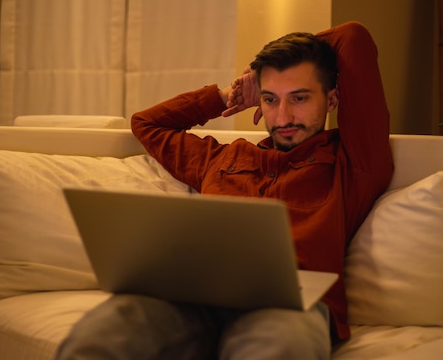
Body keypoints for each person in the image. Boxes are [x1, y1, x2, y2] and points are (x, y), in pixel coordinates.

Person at [55, 21, 394, 360]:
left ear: (332, 98)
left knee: (277, 350)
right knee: (100, 339)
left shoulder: (351, 164)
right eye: (270, 99)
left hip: (287, 306)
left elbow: (354, 37)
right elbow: (147, 124)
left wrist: (268, 65)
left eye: (300, 97)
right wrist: (225, 96)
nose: (284, 115)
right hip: (191, 296)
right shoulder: (221, 158)